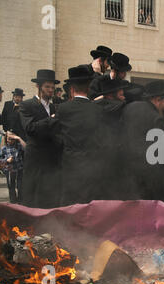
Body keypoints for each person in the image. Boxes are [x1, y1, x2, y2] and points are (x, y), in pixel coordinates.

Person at [53, 65, 104, 206]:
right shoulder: (97, 109)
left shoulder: (63, 108)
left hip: (70, 164)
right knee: (88, 202)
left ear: (71, 88)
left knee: (70, 202)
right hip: (92, 165)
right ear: (88, 88)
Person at [120, 80, 164, 201]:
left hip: (127, 169)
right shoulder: (155, 118)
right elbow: (162, 149)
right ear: (158, 99)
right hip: (148, 173)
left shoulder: (129, 107)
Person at [19, 69, 60, 209]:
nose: (50, 90)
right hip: (36, 157)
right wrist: (51, 120)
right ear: (38, 87)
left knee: (49, 193)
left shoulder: (54, 107)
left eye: (52, 88)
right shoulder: (26, 105)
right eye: (47, 87)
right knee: (33, 192)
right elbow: (30, 128)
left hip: (51, 157)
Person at [0, 131, 26, 204]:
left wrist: (19, 138)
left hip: (19, 168)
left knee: (20, 185)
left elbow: (26, 148)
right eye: (9, 138)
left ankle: (21, 200)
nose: (10, 140)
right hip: (9, 170)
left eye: (12, 139)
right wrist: (6, 160)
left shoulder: (19, 146)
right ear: (6, 139)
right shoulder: (4, 148)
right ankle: (13, 200)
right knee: (11, 185)